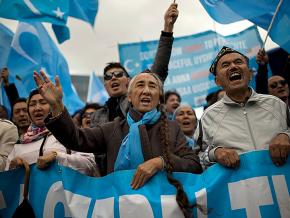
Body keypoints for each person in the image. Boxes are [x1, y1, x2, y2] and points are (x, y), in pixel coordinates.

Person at [34, 70, 202, 217]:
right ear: (129, 96)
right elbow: (76, 138)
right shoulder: (112, 129)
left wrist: (161, 162)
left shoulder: (172, 128)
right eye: (140, 85)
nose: (146, 91)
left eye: (152, 86)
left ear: (159, 97)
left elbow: (193, 164)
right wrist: (57, 105)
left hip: (163, 210)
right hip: (120, 209)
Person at [195, 46, 290, 169]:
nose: (233, 66)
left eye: (238, 62)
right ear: (218, 82)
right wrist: (215, 153)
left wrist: (287, 136)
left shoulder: (276, 104)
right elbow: (197, 159)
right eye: (225, 65)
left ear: (250, 74)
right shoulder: (208, 118)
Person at [90, 3, 178, 127]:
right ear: (105, 86)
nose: (113, 78)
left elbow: (159, 67)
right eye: (108, 76)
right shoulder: (97, 116)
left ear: (129, 81)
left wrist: (167, 29)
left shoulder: (138, 99)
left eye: (118, 74)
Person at [6, 89, 99, 177]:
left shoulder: (67, 134)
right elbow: (6, 180)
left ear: (52, 106)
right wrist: (13, 167)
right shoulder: (20, 143)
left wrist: (57, 157)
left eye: (43, 102)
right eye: (32, 104)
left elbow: (89, 164)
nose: (37, 108)